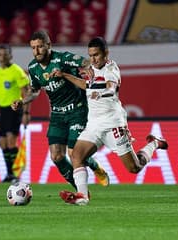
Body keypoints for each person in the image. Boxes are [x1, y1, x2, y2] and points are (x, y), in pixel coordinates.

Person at [54, 37, 169, 205]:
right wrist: (65, 75)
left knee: (134, 168)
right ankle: (83, 196)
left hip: (113, 124)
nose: (93, 59)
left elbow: (110, 87)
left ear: (106, 53)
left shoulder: (111, 69)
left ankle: (154, 143)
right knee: (76, 155)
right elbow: (87, 85)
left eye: (96, 55)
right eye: (90, 55)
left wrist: (99, 93)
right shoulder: (91, 68)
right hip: (94, 124)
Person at [11, 30, 109, 189]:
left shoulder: (62, 59)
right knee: (56, 156)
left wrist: (87, 68)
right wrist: (23, 101)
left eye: (40, 47)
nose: (36, 51)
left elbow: (84, 61)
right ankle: (78, 188)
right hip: (57, 114)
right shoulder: (33, 67)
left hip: (77, 110)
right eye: (33, 48)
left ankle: (95, 166)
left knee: (74, 153)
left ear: (48, 45)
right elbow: (34, 90)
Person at [0, 44, 31, 183]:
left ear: (11, 56)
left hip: (14, 109)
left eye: (5, 54)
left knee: (11, 140)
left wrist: (26, 112)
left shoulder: (17, 71)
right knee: (2, 143)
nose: (2, 57)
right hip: (2, 110)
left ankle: (15, 174)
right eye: (0, 55)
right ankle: (9, 173)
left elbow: (26, 92)